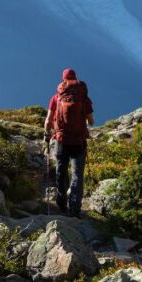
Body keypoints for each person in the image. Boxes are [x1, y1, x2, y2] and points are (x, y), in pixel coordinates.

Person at [44, 68, 94, 217]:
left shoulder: (56, 98)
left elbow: (48, 120)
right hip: (79, 141)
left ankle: (61, 205)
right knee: (77, 175)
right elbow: (91, 122)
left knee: (61, 172)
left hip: (61, 141)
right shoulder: (84, 98)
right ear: (76, 79)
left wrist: (47, 133)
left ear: (63, 80)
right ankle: (75, 210)